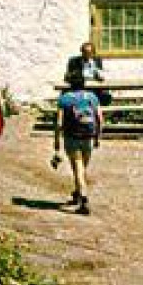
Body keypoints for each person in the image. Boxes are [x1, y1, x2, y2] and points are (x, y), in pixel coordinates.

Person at [52, 71, 103, 215]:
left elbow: (59, 122)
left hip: (72, 137)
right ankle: (77, 192)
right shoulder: (92, 97)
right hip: (88, 136)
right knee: (81, 168)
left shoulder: (65, 98)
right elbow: (100, 118)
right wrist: (98, 136)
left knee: (78, 169)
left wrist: (56, 142)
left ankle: (84, 199)